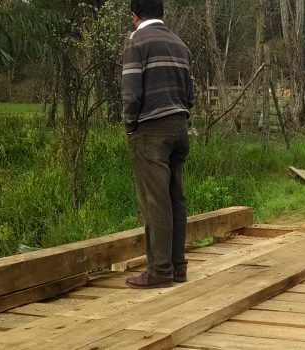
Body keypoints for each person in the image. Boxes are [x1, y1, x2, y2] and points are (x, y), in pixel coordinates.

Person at [120, 0, 196, 289]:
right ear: (162, 13)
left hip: (150, 130)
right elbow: (191, 94)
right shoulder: (180, 44)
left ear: (134, 16)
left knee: (155, 201)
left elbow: (131, 92)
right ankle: (178, 267)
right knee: (175, 197)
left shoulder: (136, 41)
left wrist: (131, 125)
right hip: (179, 126)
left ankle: (159, 270)